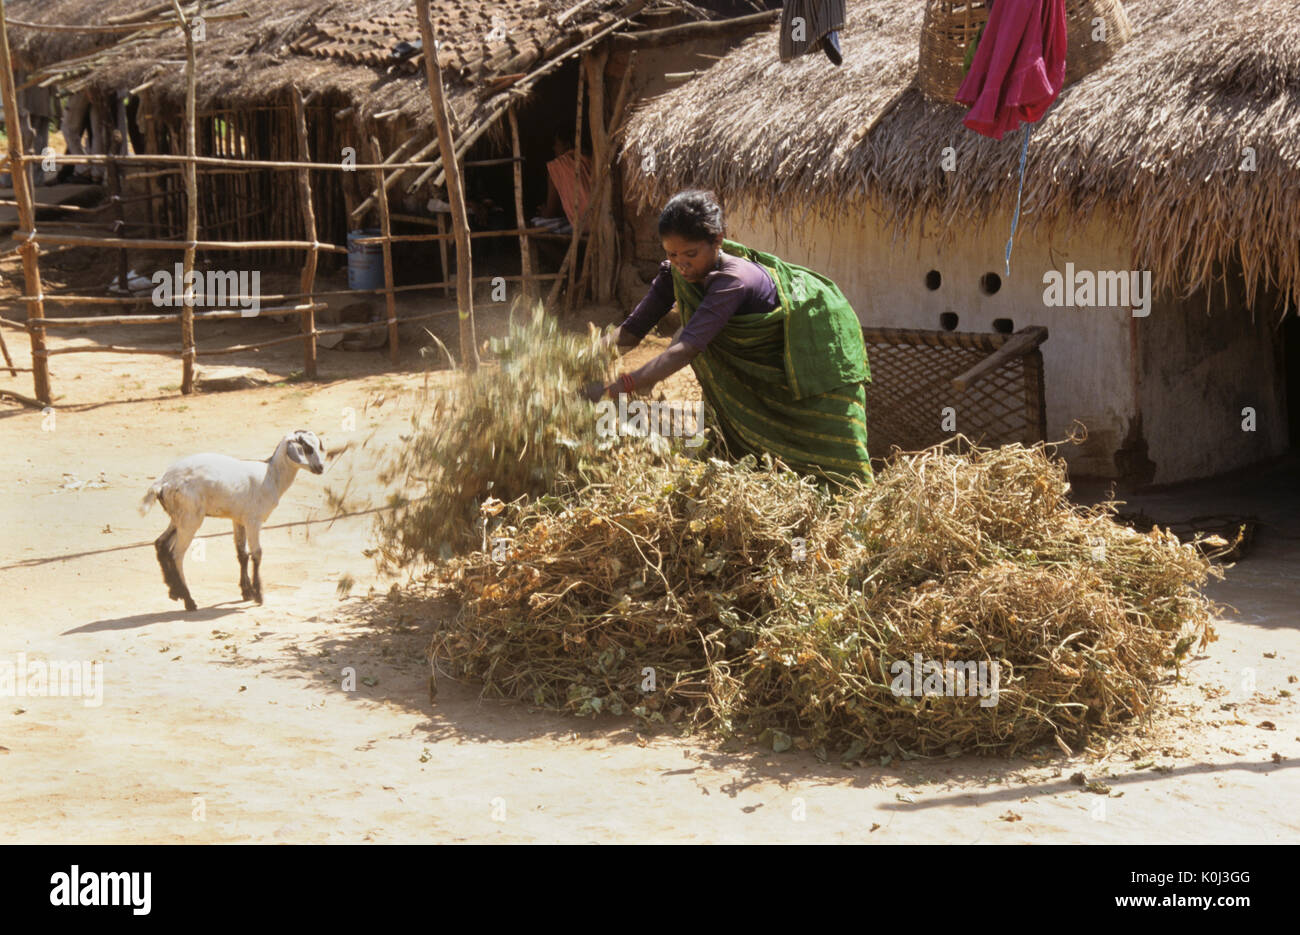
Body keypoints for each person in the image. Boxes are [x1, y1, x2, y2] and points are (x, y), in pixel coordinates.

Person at [584, 190, 873, 484]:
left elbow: (686, 348)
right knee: (742, 458)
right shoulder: (675, 273)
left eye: (691, 254)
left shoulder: (733, 279)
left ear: (718, 240)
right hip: (755, 374)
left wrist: (621, 386)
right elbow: (633, 330)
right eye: (672, 254)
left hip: (807, 357)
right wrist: (579, 360)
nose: (682, 264)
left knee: (828, 461)